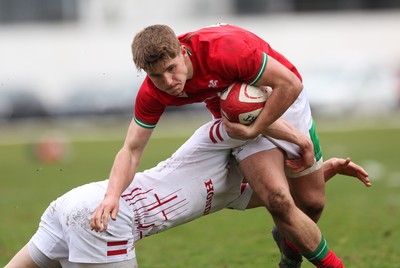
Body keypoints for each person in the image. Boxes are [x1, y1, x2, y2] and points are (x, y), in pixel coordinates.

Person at [90, 23, 341, 267]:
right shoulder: (153, 93)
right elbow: (131, 150)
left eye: (171, 69)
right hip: (235, 115)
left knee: (311, 203)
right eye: (156, 75)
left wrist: (285, 135)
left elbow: (290, 85)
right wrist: (112, 196)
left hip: (282, 98)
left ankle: (289, 242)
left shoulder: (223, 51)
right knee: (278, 200)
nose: (167, 81)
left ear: (181, 50)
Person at [5, 119, 371, 268]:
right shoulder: (214, 140)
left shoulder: (239, 190)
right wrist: (300, 139)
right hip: (107, 216)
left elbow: (278, 198)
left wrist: (324, 171)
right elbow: (238, 117)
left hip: (81, 204)